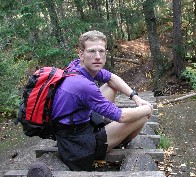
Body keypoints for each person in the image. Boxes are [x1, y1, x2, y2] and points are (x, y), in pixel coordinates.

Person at [51, 30, 153, 171]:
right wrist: (147, 108)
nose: (97, 57)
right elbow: (122, 116)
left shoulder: (76, 66)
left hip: (75, 127)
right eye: (92, 51)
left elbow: (111, 77)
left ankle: (113, 134)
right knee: (142, 116)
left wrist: (135, 97)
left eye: (101, 51)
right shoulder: (82, 85)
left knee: (111, 86)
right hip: (77, 147)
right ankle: (119, 141)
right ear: (81, 54)